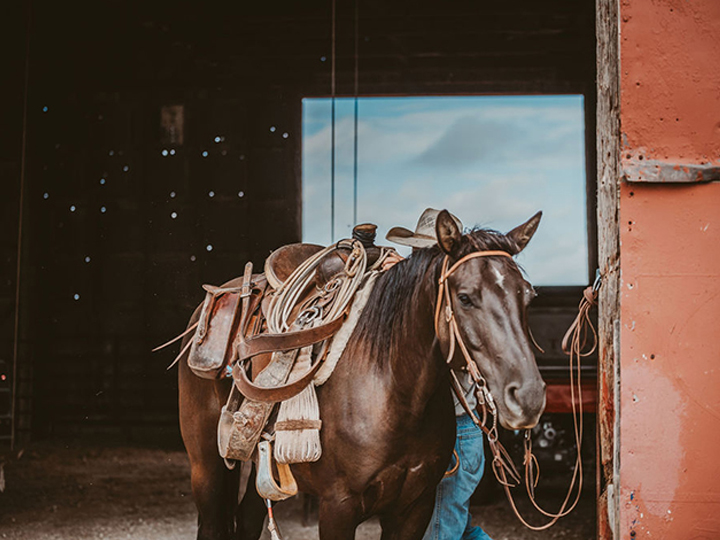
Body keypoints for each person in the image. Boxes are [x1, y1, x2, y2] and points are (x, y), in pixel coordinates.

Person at [385, 208, 493, 540]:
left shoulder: (448, 309)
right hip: (461, 428)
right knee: (453, 525)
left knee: (440, 531)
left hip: (456, 432)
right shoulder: (433, 301)